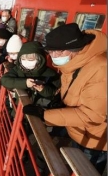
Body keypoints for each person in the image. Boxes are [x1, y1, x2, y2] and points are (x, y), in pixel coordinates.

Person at [22, 23, 107, 174]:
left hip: (95, 140)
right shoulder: (75, 63)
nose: (53, 57)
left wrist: (44, 115)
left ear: (75, 48)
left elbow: (92, 115)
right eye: (50, 52)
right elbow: (74, 89)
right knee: (74, 163)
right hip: (79, 130)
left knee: (86, 170)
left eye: (58, 52)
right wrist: (57, 100)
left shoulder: (101, 69)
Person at [0, 41, 61, 107]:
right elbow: (4, 80)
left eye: (31, 59)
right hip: (19, 106)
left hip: (38, 109)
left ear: (39, 59)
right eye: (23, 59)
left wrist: (43, 89)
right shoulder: (18, 69)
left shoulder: (50, 74)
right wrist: (25, 83)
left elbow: (56, 92)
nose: (26, 62)